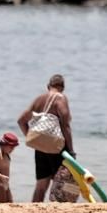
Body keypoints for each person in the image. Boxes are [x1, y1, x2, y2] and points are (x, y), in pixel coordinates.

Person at [17, 74, 75, 202]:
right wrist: (71, 151)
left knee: (41, 185)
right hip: (57, 148)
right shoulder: (61, 98)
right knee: (63, 184)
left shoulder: (39, 99)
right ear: (63, 87)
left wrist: (31, 137)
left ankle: (34, 211)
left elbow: (21, 120)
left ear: (48, 86)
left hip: (40, 147)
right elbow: (65, 126)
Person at [0, 132, 19, 203]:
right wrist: (1, 176)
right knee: (4, 204)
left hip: (6, 184)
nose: (12, 149)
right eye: (11, 147)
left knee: (11, 203)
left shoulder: (7, 156)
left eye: (14, 147)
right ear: (3, 145)